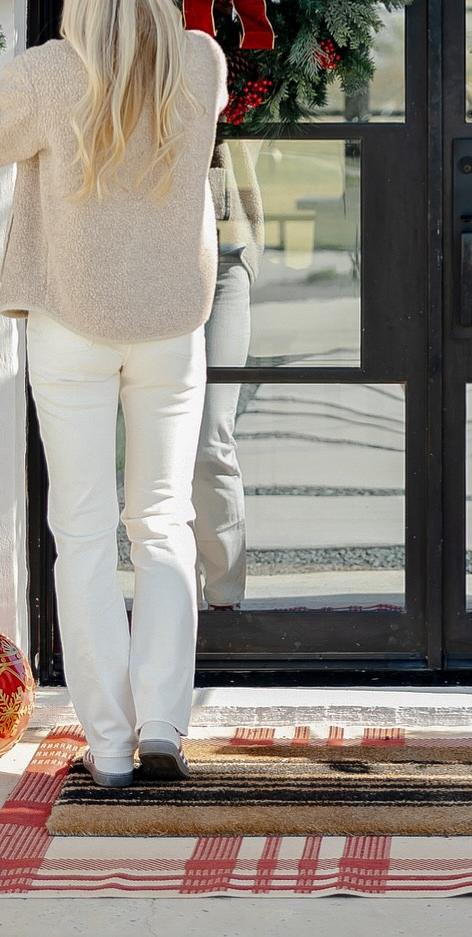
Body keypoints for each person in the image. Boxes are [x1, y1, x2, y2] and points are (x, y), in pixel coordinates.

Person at [0, 0, 226, 788]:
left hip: (73, 327)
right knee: (163, 524)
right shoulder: (200, 61)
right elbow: (137, 38)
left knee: (84, 533)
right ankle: (166, 723)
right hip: (171, 325)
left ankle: (111, 749)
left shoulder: (50, 74)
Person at [194, 138, 264, 609]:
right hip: (139, 264)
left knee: (211, 439)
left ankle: (223, 607)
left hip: (222, 255)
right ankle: (164, 615)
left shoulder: (233, 66)